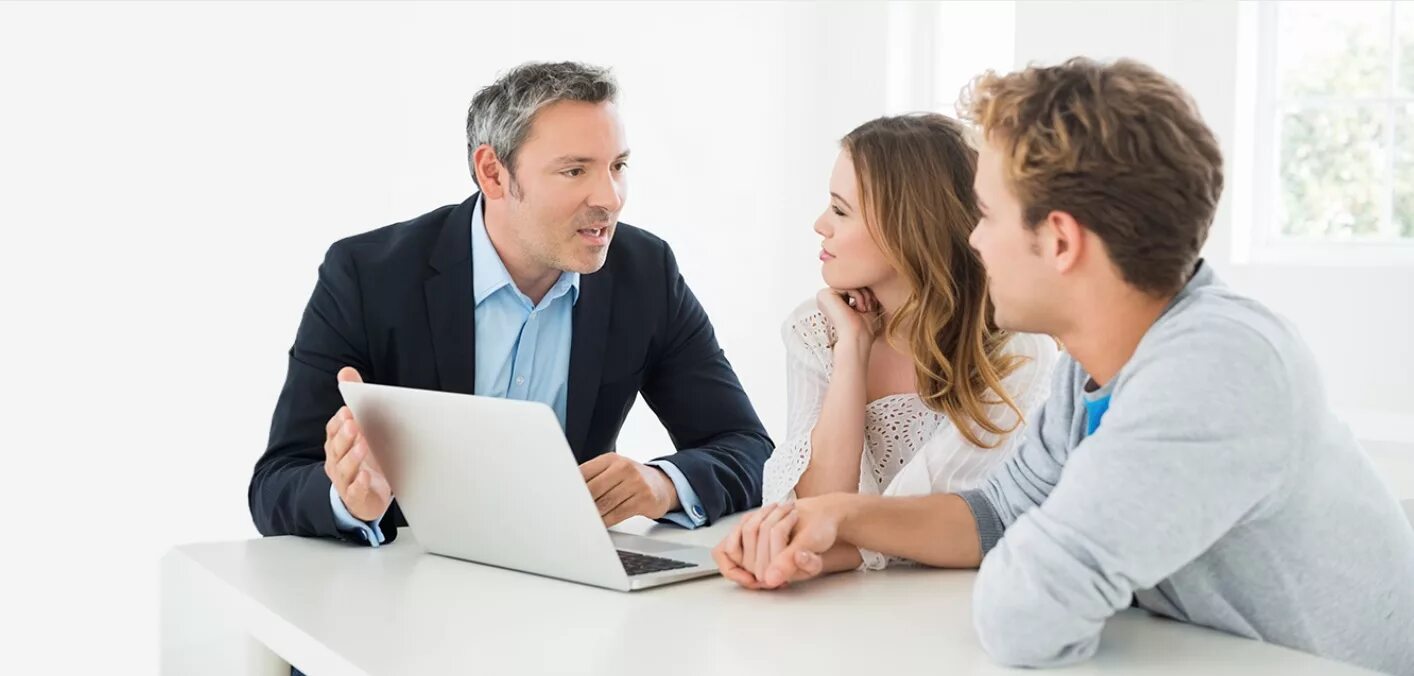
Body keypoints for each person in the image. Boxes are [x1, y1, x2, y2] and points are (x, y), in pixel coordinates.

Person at [721, 58, 1414, 675]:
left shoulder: (1214, 370)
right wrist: (841, 517)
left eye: (986, 215)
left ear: (1058, 241)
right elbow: (995, 516)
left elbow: (1026, 616)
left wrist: (1029, 543)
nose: (970, 239)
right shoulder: (1087, 366)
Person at [249, 61, 773, 548]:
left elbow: (749, 448)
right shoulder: (367, 276)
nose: (610, 196)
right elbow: (276, 483)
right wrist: (349, 499)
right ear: (493, 173)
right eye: (575, 171)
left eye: (618, 165)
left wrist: (662, 485)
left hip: (563, 587)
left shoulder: (645, 272)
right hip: (404, 593)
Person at [712, 114, 1056, 578]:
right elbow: (813, 507)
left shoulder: (1015, 350)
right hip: (849, 606)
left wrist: (826, 547)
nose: (819, 225)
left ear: (908, 229)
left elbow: (941, 511)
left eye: (840, 210)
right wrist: (851, 352)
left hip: (955, 606)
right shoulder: (817, 329)